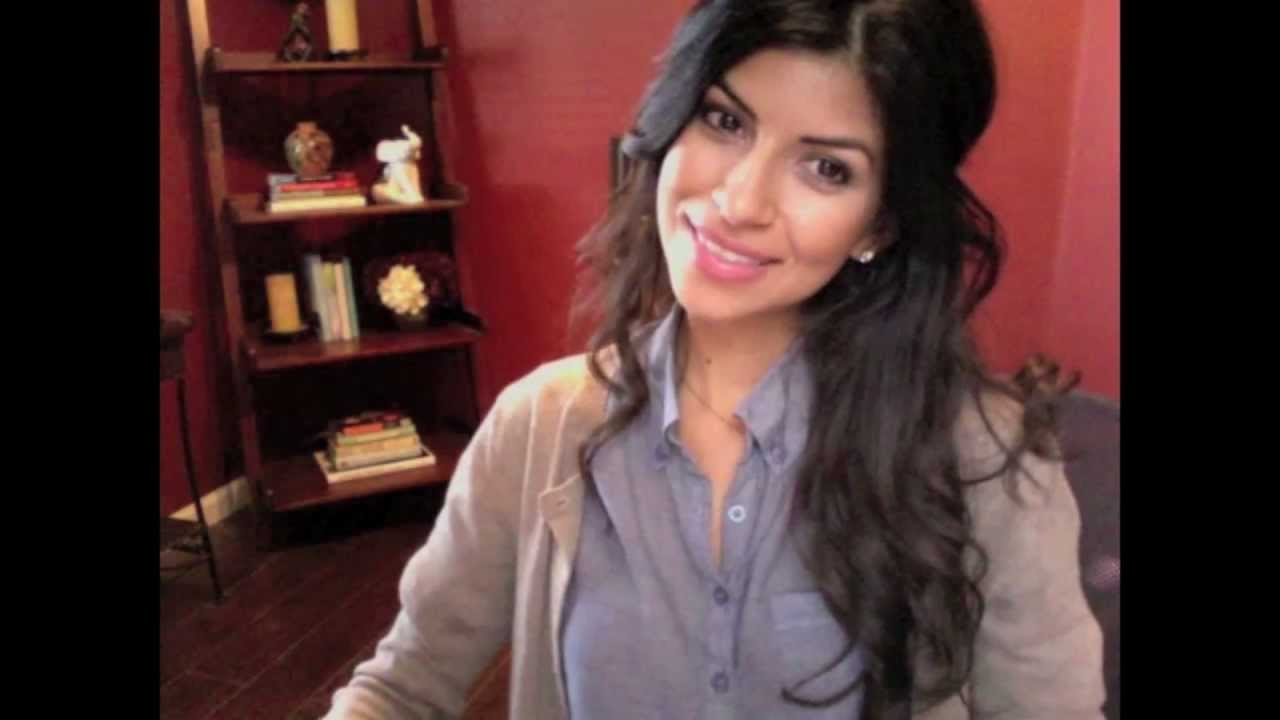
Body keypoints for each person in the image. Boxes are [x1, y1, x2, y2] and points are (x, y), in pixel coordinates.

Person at [324, 0, 1105, 718]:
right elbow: (400, 688)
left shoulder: (985, 460)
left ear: (881, 224)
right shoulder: (539, 427)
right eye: (725, 121)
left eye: (827, 168)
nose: (740, 202)